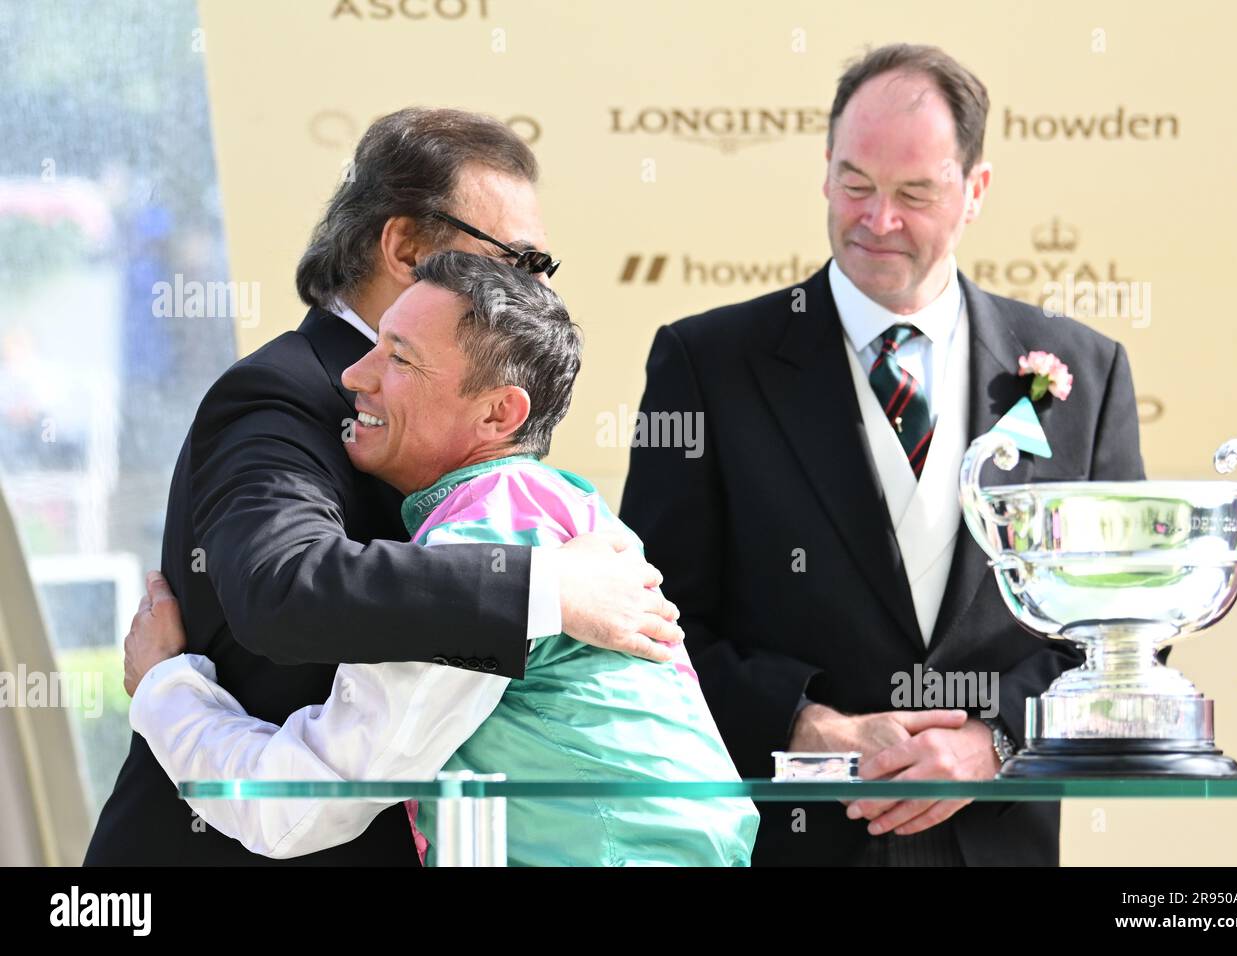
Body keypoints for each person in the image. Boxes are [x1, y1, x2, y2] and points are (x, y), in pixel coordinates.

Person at [86, 109, 682, 867]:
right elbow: (282, 585)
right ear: (403, 246)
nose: (530, 293)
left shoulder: (482, 436)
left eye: (540, 270)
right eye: (513, 261)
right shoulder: (279, 394)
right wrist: (545, 585)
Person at [618, 43, 1145, 866]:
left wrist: (995, 740)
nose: (878, 220)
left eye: (914, 193)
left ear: (976, 191)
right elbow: (652, 622)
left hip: (996, 846)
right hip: (791, 841)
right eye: (856, 184)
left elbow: (1122, 629)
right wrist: (805, 724)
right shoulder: (706, 363)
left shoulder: (1085, 369)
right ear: (825, 170)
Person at [124, 252, 758, 866]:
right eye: (376, 342)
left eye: (400, 357)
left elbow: (299, 804)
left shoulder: (487, 537)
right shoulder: (557, 509)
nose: (354, 376)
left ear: (497, 411)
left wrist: (164, 691)